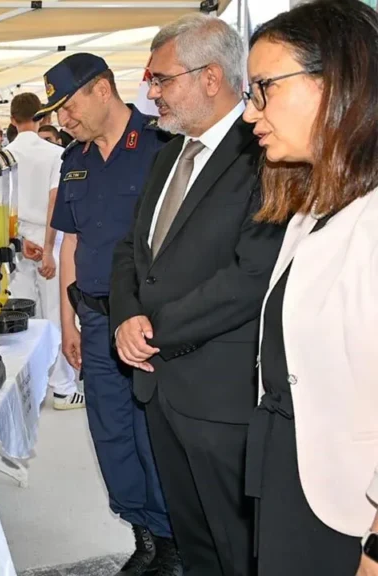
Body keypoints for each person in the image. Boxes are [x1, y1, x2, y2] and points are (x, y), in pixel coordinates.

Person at [109, 14, 285, 576]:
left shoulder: (266, 153)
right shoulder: (168, 155)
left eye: (162, 79)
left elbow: (248, 276)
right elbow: (130, 254)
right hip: (161, 392)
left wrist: (153, 329)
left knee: (239, 551)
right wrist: (125, 316)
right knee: (196, 544)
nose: (151, 93)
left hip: (223, 400)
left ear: (211, 78)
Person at [240, 1, 378, 574]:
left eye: (263, 88)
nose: (251, 114)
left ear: (336, 82)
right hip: (292, 475)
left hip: (350, 514)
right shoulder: (316, 206)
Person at [42, 54, 178, 574]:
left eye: (68, 105)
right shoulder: (73, 158)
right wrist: (66, 321)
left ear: (103, 90)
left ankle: (172, 543)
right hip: (94, 322)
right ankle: (143, 536)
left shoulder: (159, 145)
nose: (63, 119)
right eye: (56, 111)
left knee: (151, 434)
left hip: (146, 325)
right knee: (111, 433)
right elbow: (71, 241)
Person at [5, 92, 83, 411]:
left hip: (16, 239)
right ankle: (63, 388)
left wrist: (19, 241)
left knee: (23, 317)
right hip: (51, 237)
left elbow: (0, 206)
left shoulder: (3, 157)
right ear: (45, 118)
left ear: (11, 120)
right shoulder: (56, 154)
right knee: (56, 314)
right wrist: (49, 248)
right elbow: (55, 202)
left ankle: (28, 392)